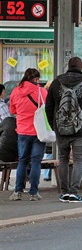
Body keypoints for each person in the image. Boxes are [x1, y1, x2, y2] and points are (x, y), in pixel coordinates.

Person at [46, 57, 82, 203]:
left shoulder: (56, 83)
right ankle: (74, 192)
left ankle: (64, 192)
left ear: (68, 66)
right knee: (78, 160)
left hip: (61, 129)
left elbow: (49, 107)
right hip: (81, 129)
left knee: (63, 159)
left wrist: (54, 126)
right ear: (81, 67)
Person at [9, 68, 48, 201]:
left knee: (23, 161)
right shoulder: (42, 92)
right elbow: (47, 109)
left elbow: (12, 109)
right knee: (36, 161)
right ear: (36, 79)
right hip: (39, 132)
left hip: (22, 131)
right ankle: (33, 193)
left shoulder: (15, 91)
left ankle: (18, 192)